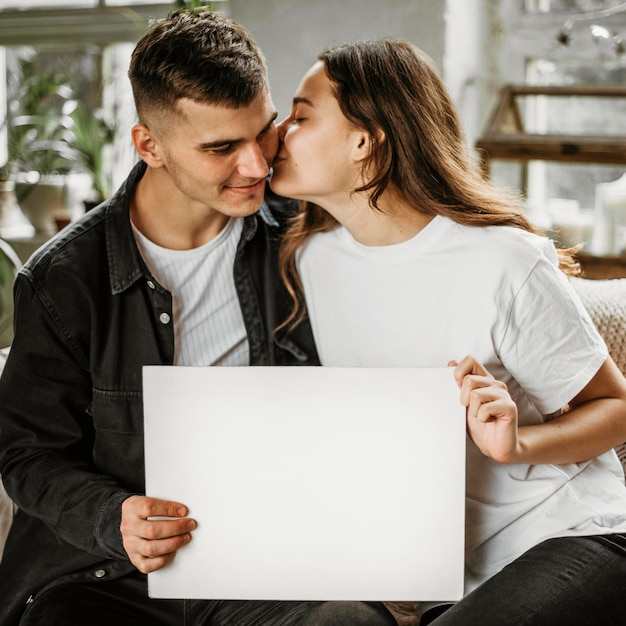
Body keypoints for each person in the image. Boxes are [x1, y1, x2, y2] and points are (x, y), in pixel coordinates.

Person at [0, 10, 396, 626]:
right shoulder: (62, 280)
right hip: (105, 576)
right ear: (148, 145)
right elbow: (27, 454)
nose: (257, 166)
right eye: (220, 148)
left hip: (266, 565)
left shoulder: (304, 236)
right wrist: (116, 516)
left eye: (262, 132)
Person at [270, 38, 626, 626]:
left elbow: (615, 406)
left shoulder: (503, 261)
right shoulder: (312, 260)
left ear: (365, 138)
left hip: (569, 535)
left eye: (302, 116)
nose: (280, 132)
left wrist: (517, 444)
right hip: (443, 571)